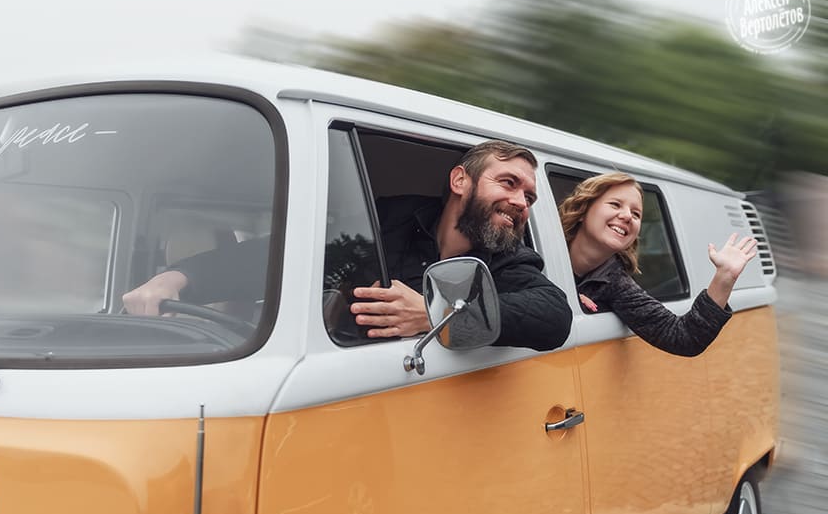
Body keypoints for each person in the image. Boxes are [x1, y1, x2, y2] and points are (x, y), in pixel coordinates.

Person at [123, 140, 572, 352]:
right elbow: (284, 256)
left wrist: (439, 313)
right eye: (508, 183)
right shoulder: (384, 223)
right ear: (460, 181)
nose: (519, 202)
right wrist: (176, 278)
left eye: (528, 197)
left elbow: (553, 317)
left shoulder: (508, 254)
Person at [558, 172, 758, 357]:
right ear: (583, 209)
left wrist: (725, 277)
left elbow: (683, 337)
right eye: (615, 204)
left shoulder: (617, 284)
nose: (627, 216)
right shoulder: (534, 246)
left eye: (636, 214)